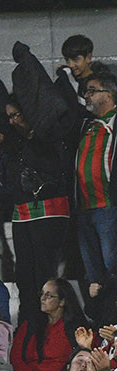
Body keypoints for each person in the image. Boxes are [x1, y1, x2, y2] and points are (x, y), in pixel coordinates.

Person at [75, 72, 117, 299]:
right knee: (94, 277)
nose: (86, 96)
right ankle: (103, 323)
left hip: (109, 206)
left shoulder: (114, 122)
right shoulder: (87, 125)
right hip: (84, 209)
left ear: (109, 94)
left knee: (113, 268)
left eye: (92, 90)